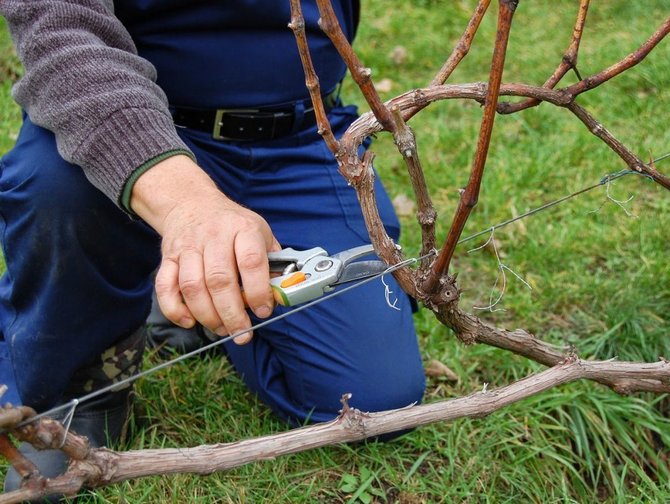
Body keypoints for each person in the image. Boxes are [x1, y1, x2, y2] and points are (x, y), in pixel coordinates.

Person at [0, 0, 425, 494]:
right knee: (56, 190)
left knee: (379, 401)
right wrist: (185, 204)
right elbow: (62, 36)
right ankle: (79, 389)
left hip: (301, 140)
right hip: (121, 123)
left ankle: (198, 293)